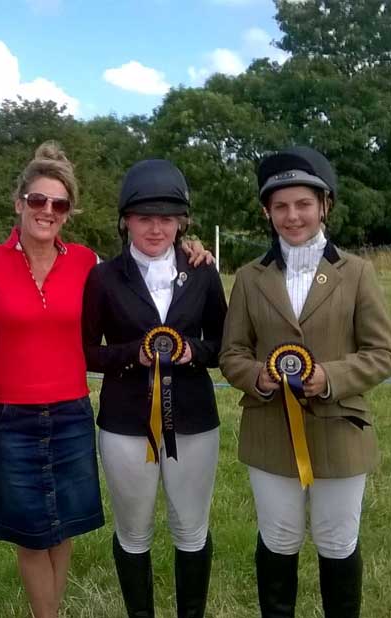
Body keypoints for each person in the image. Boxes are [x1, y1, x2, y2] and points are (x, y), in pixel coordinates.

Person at [0, 143, 212, 618]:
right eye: (37, 200)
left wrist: (190, 248)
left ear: (68, 212)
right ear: (19, 202)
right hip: (10, 416)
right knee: (30, 532)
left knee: (63, 528)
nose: (47, 211)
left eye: (59, 204)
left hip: (71, 411)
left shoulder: (88, 262)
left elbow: (139, 264)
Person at [220, 146, 391, 618]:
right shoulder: (248, 277)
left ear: (325, 206)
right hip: (269, 433)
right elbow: (231, 352)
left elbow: (384, 352)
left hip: (341, 430)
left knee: (338, 541)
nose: (292, 215)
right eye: (280, 206)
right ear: (267, 212)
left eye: (303, 204)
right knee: (278, 538)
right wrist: (257, 377)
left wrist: (330, 377)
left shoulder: (357, 273)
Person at [82, 159, 226, 618]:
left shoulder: (202, 270)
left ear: (181, 222)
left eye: (166, 218)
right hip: (126, 423)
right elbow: (86, 351)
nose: (156, 228)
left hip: (194, 420)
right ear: (126, 220)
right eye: (145, 218)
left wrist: (192, 352)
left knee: (191, 529)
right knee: (134, 531)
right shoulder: (103, 277)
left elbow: (223, 344)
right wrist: (131, 354)